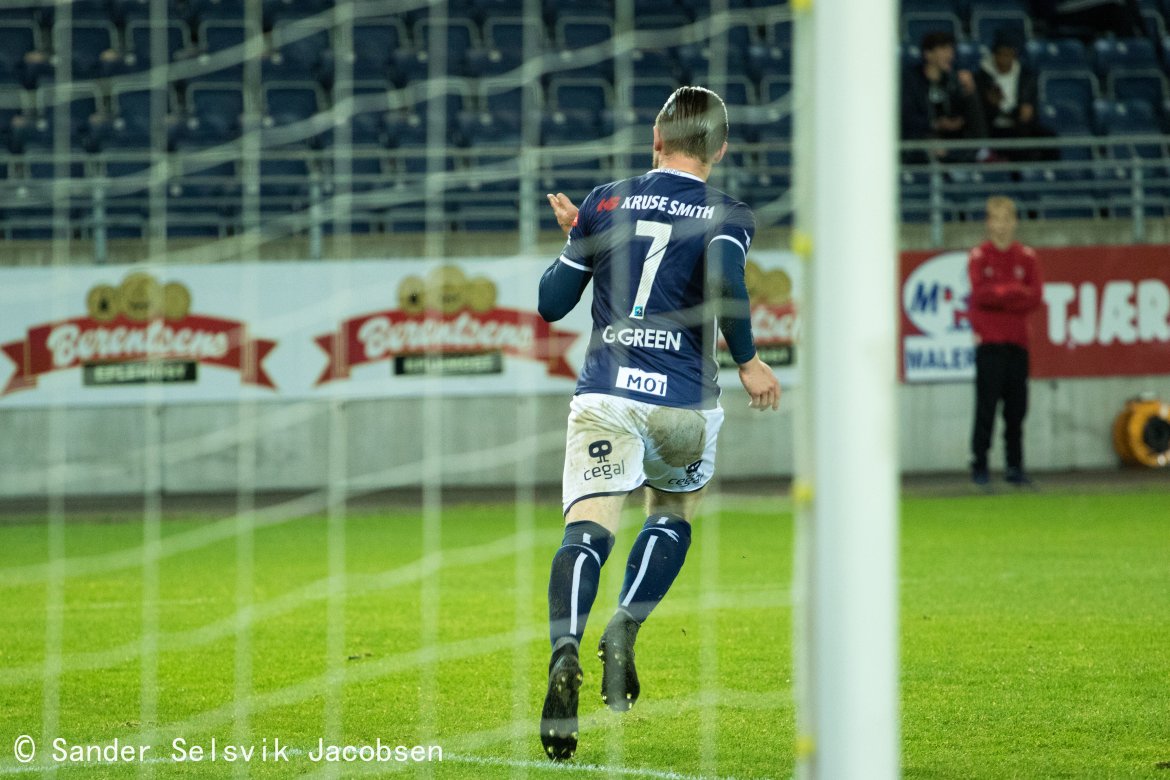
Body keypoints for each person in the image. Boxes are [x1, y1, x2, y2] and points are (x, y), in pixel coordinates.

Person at [535, 85, 781, 762]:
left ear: (655, 138)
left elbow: (551, 304)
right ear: (719, 150)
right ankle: (625, 623)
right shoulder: (727, 211)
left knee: (587, 531)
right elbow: (726, 282)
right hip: (684, 403)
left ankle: (565, 648)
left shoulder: (605, 201)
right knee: (671, 512)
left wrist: (578, 239)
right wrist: (750, 361)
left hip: (607, 395)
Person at [967, 196, 1043, 488]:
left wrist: (999, 294)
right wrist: (1013, 292)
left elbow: (1034, 297)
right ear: (988, 223)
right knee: (985, 408)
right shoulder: (979, 256)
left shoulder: (1027, 257)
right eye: (995, 219)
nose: (1000, 225)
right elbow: (980, 295)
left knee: (1016, 410)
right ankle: (980, 465)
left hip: (1017, 342)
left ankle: (1015, 467)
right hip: (989, 343)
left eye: (1005, 219)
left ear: (1014, 222)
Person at [900, 30, 988, 164]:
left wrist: (970, 94)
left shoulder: (953, 81)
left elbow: (977, 127)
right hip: (918, 140)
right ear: (928, 54)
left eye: (951, 50)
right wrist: (934, 124)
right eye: (944, 49)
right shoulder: (910, 80)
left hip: (950, 142)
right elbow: (906, 117)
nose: (950, 54)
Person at [974, 31, 1057, 162]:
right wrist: (991, 105)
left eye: (1008, 54)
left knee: (1048, 138)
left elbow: (1030, 106)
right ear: (994, 55)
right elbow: (977, 110)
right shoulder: (981, 77)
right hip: (993, 127)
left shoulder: (1026, 76)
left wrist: (1028, 109)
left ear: (1014, 55)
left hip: (1019, 124)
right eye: (1001, 54)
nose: (1004, 59)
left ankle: (1050, 172)